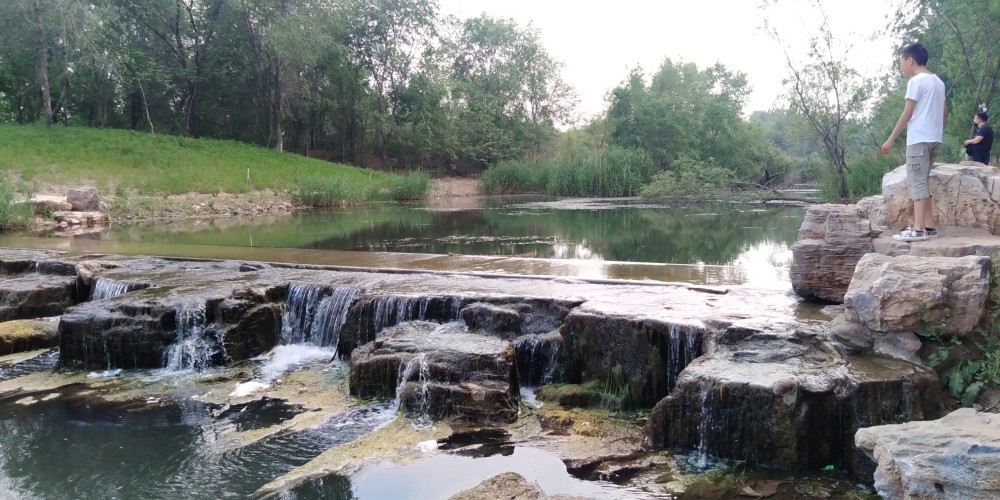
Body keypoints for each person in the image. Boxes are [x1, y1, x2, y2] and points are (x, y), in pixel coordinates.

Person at [881, 43, 948, 242]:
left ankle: (918, 230)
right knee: (923, 182)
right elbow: (945, 113)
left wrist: (890, 140)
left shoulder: (916, 81)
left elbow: (907, 113)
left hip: (919, 140)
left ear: (910, 60)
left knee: (917, 183)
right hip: (935, 139)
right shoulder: (938, 82)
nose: (902, 67)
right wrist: (937, 131)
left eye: (901, 62)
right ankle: (929, 226)